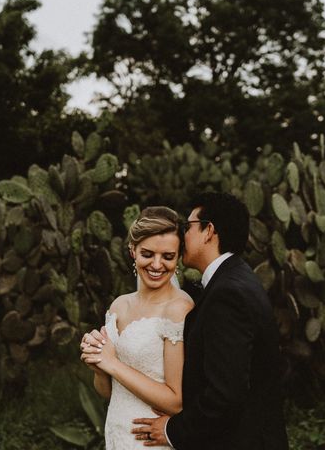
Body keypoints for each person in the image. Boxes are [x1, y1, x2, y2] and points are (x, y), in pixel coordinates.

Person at [131, 192, 289, 449]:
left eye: (188, 227)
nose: (183, 235)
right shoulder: (238, 279)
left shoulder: (228, 294)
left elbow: (225, 394)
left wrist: (173, 429)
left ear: (208, 231)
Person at [80, 206, 194, 449]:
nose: (157, 264)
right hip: (117, 432)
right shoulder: (119, 306)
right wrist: (98, 367)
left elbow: (176, 401)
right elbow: (108, 392)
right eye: (147, 253)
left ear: (178, 257)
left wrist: (112, 364)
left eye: (168, 256)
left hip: (151, 439)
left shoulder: (178, 309)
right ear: (133, 250)